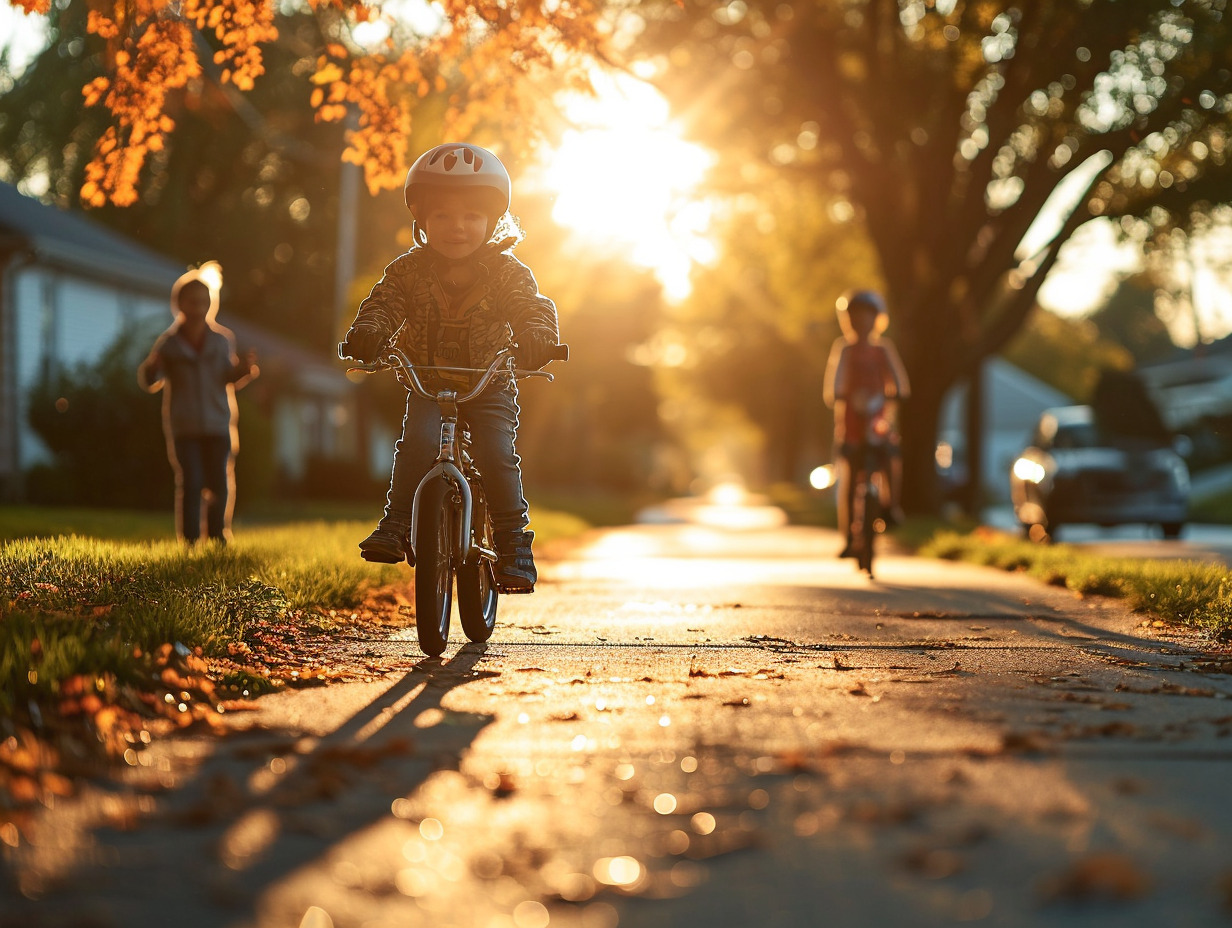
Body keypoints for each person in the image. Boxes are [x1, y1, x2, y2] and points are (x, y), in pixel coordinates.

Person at [339, 142, 560, 592]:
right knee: (418, 443)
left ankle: (514, 542)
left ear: (492, 221)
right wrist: (369, 332)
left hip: (489, 384)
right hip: (428, 384)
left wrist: (539, 337)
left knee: (497, 454)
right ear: (421, 220)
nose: (456, 227)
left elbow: (531, 308)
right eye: (441, 216)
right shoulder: (408, 270)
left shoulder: (507, 272)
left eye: (470, 216)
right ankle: (397, 523)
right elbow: (383, 304)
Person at [138, 262, 259, 545]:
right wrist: (151, 367)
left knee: (219, 483)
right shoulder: (168, 344)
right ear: (179, 304)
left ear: (211, 304)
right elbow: (149, 381)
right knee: (191, 483)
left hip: (218, 424)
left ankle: (218, 535)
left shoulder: (221, 340)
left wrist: (244, 370)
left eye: (204, 302)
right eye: (192, 302)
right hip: (184, 427)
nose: (198, 307)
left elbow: (228, 378)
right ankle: (190, 540)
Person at [823, 289, 910, 558]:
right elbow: (834, 383)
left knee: (890, 457)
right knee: (849, 477)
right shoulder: (845, 349)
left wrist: (895, 392)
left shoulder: (883, 350)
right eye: (856, 317)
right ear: (848, 320)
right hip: (851, 422)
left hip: (877, 420)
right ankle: (849, 536)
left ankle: (890, 506)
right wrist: (839, 393)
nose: (862, 323)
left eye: (867, 317)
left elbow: (899, 382)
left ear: (876, 320)